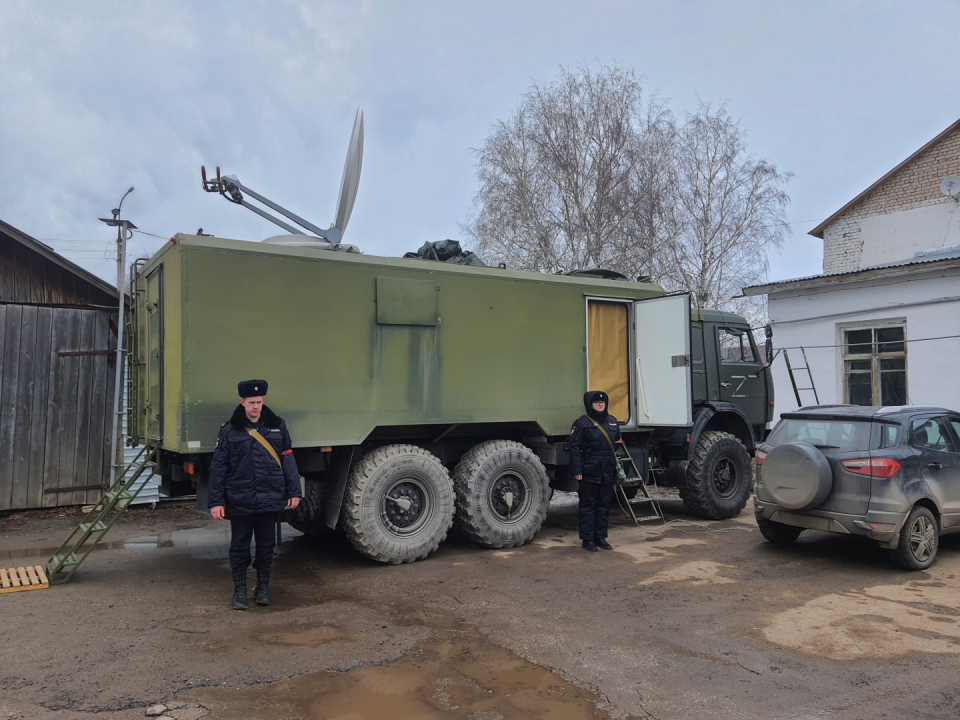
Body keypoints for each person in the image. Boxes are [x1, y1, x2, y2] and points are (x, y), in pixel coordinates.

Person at [209, 380, 302, 609]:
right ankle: (239, 591)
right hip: (241, 499)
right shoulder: (229, 430)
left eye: (259, 402)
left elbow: (287, 459)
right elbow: (219, 467)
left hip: (270, 499)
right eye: (251, 403)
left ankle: (262, 589)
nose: (256, 407)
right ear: (242, 402)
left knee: (266, 546)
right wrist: (216, 502)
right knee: (239, 546)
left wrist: (294, 492)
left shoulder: (278, 427)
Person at [568, 391, 622, 552]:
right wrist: (577, 470)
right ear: (590, 405)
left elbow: (618, 442)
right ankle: (588, 539)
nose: (600, 404)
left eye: (602, 402)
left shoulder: (612, 422)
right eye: (597, 402)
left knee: (604, 505)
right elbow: (574, 448)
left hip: (607, 468)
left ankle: (600, 537)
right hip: (589, 468)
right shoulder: (582, 424)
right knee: (588, 505)